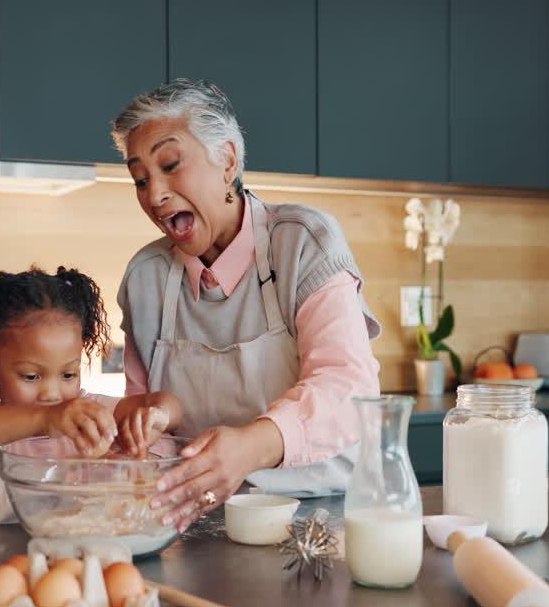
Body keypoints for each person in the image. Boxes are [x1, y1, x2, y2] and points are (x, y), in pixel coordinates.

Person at [111, 79, 382, 533]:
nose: (153, 195)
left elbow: (346, 388)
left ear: (228, 160)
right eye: (140, 179)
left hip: (321, 522)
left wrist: (249, 449)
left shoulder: (302, 242)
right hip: (195, 525)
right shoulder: (145, 279)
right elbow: (143, 425)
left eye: (171, 165)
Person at [0, 267, 184, 527]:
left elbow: (164, 404)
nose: (52, 394)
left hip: (74, 564)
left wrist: (156, 417)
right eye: (31, 377)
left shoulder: (89, 412)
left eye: (68, 374)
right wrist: (45, 418)